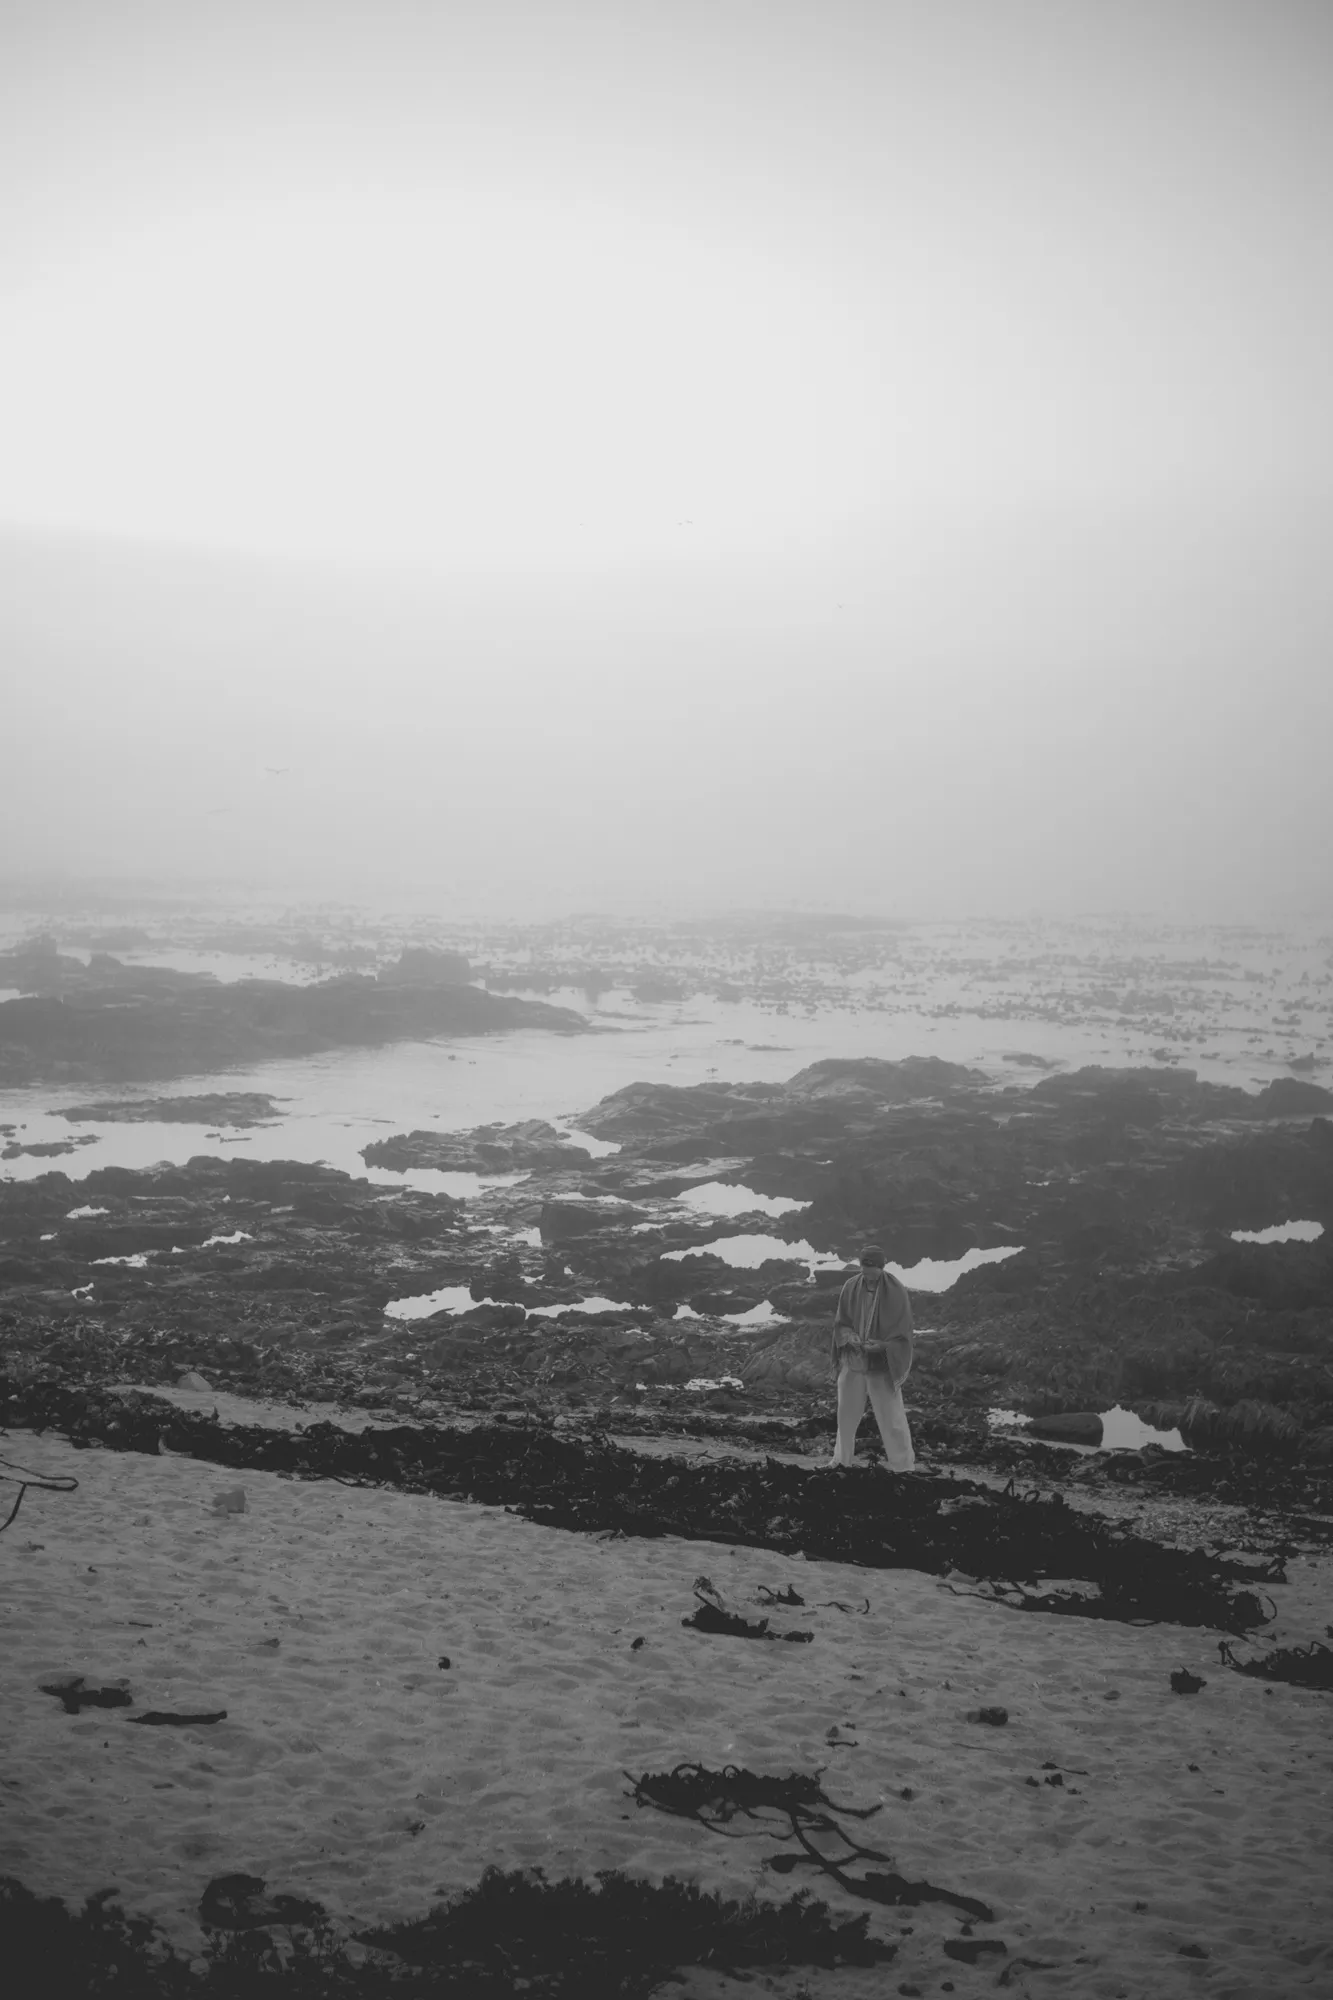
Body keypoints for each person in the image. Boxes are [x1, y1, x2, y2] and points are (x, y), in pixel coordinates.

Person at [828, 1245, 915, 1471]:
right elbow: (841, 1322)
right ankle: (841, 1460)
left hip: (881, 1364)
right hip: (854, 1360)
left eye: (872, 1271)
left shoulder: (896, 1291)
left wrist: (883, 1346)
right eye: (864, 1270)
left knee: (892, 1418)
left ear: (881, 1267)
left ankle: (903, 1466)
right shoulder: (851, 1286)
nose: (867, 1276)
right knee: (845, 1414)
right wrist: (849, 1337)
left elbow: (903, 1333)